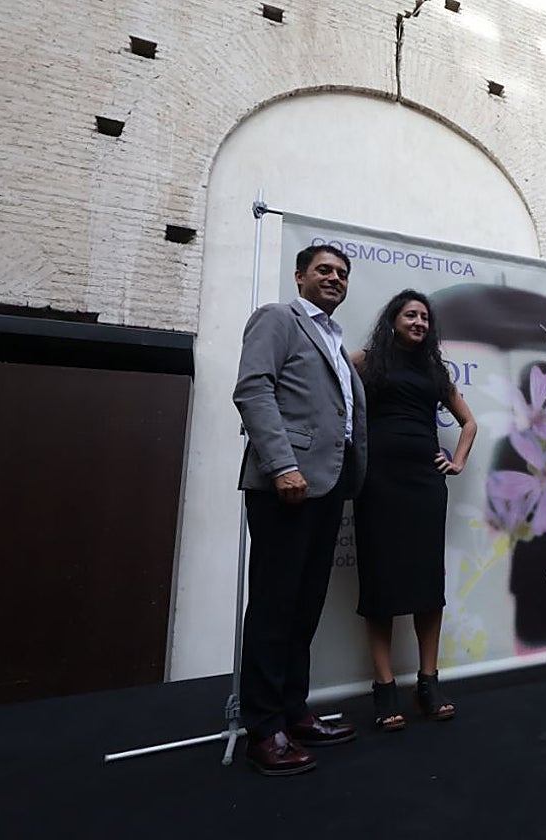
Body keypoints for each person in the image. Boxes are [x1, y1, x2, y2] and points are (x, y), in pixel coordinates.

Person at [233, 244, 368, 776]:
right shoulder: (277, 319)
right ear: (300, 277)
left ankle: (293, 711)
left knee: (305, 605)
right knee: (273, 607)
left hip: (327, 486)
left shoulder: (334, 339)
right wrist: (281, 465)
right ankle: (263, 730)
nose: (334, 278)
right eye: (324, 270)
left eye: (341, 273)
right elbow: (252, 389)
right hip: (285, 485)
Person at [351, 289, 477, 729]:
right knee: (381, 582)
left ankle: (428, 682)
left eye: (425, 317)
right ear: (394, 319)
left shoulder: (434, 370)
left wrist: (457, 460)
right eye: (411, 315)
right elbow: (331, 392)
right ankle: (384, 689)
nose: (419, 322)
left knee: (426, 582)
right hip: (377, 482)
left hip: (425, 485)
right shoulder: (366, 360)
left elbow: (470, 421)